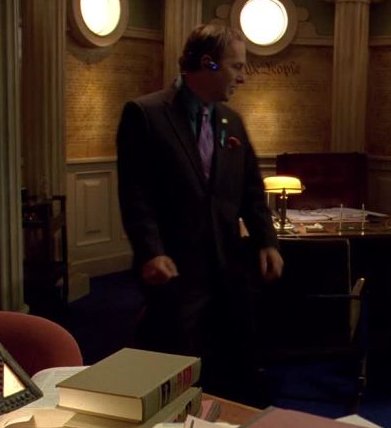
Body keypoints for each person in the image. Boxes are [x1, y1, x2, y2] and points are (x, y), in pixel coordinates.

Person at [117, 24, 283, 403]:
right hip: (175, 270)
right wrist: (151, 252)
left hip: (228, 268)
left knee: (234, 368)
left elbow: (251, 190)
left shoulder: (231, 121)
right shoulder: (145, 114)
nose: (243, 77)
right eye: (236, 66)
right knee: (173, 373)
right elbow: (136, 194)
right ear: (209, 64)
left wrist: (266, 242)